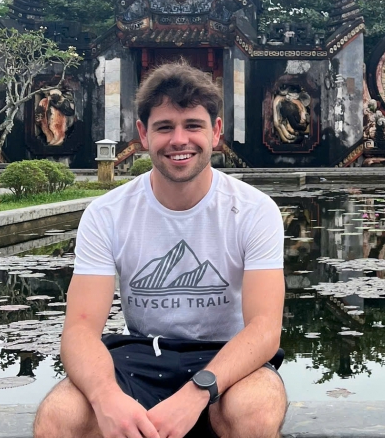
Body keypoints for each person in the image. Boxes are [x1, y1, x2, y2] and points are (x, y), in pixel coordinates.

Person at [33, 62, 286, 438]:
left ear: (215, 132)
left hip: (227, 358)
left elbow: (265, 329)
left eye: (193, 126)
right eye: (165, 127)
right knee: (59, 418)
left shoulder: (253, 210)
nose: (179, 140)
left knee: (254, 413)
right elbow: (81, 330)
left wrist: (197, 392)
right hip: (140, 353)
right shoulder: (107, 213)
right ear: (144, 134)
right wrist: (105, 396)